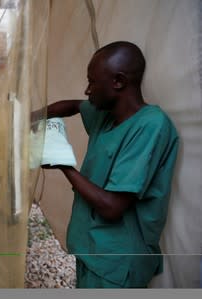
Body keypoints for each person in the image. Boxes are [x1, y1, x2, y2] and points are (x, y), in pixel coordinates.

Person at [39, 41, 179, 288]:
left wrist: (62, 162)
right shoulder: (107, 116)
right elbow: (72, 106)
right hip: (91, 251)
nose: (87, 89)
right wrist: (31, 117)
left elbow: (113, 207)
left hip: (116, 264)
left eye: (92, 82)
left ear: (118, 82)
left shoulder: (151, 126)